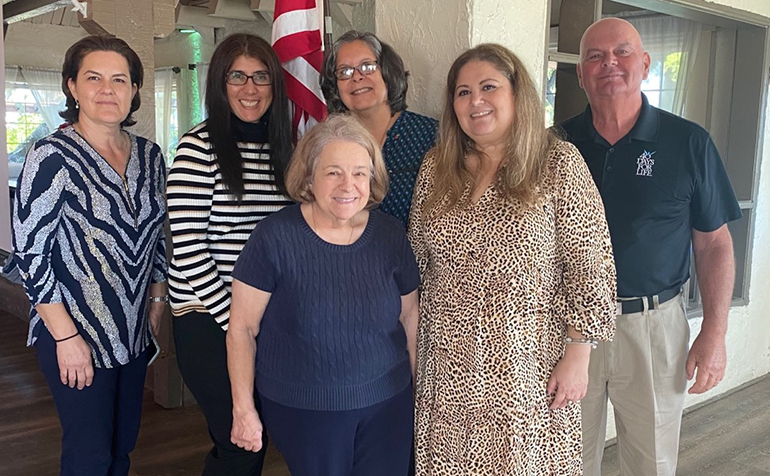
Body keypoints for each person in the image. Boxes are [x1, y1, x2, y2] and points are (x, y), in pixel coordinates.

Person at [408, 43, 617, 475]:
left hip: (524, 368)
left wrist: (580, 353)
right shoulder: (436, 167)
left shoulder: (557, 161)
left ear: (517, 94)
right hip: (446, 368)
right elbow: (417, 261)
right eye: (462, 92)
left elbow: (590, 264)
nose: (475, 101)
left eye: (488, 87)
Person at [558, 18, 742, 476]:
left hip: (654, 326)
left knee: (652, 462)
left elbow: (715, 243)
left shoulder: (688, 142)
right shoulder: (555, 145)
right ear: (580, 74)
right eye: (595, 57)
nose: (609, 64)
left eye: (622, 53)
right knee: (565, 460)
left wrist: (714, 333)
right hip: (568, 331)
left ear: (644, 64)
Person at [227, 114, 420, 476]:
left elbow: (410, 317)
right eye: (333, 172)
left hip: (388, 405)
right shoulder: (273, 238)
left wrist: (421, 396)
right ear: (310, 177)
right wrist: (243, 408)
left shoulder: (391, 235)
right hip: (305, 409)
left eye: (360, 173)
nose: (348, 185)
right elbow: (241, 329)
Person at [11, 36, 167, 476]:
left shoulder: (151, 157)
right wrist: (65, 338)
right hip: (76, 333)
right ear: (72, 87)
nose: (107, 89)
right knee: (89, 455)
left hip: (133, 330)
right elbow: (32, 256)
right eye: (93, 78)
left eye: (120, 79)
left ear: (134, 89)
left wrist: (157, 301)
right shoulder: (51, 156)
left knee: (122, 447)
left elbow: (157, 238)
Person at [167, 33, 293, 476]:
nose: (250, 88)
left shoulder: (285, 150)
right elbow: (187, 249)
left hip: (263, 320)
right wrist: (238, 324)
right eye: (236, 76)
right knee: (241, 440)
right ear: (220, 83)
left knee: (246, 439)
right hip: (207, 315)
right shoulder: (198, 148)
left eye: (261, 77)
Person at [321, 30, 438, 228]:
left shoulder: (430, 135)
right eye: (345, 71)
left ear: (387, 72)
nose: (356, 77)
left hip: (412, 257)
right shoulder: (329, 141)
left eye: (367, 66)